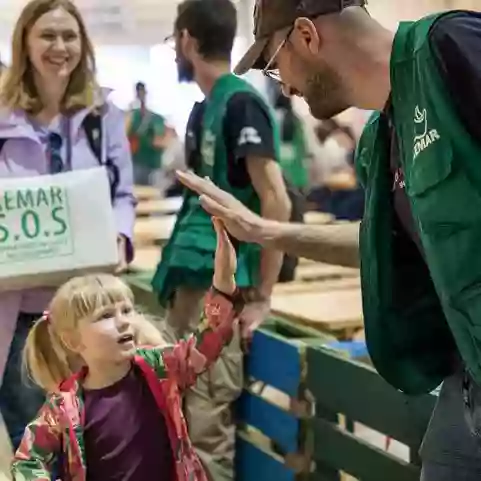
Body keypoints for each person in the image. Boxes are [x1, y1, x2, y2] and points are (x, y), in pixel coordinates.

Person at [177, 2, 481, 479]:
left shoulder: (452, 45)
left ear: (307, 35)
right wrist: (263, 230)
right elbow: (377, 241)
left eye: (275, 65)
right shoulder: (381, 139)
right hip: (466, 379)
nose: (285, 87)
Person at [152, 0, 291, 479]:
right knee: (180, 415)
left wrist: (265, 297)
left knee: (206, 418)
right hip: (193, 278)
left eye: (175, 42)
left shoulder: (240, 102)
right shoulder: (203, 110)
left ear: (187, 40)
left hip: (224, 287)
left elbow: (277, 200)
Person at [0, 0, 135, 452]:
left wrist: (121, 234)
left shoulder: (102, 117)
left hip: (86, 307)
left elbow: (123, 194)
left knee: (96, 431)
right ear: (26, 44)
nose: (60, 47)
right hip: (19, 311)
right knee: (34, 437)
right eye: (48, 36)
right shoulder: (2, 119)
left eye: (69, 36)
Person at [11, 218, 242, 481]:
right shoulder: (64, 406)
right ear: (74, 342)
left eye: (127, 310)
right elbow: (28, 460)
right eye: (106, 315)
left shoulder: (161, 368)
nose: (124, 321)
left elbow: (208, 342)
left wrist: (223, 284)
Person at [126, 81, 175, 186]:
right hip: (137, 164)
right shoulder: (133, 115)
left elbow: (160, 141)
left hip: (153, 165)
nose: (141, 95)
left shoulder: (156, 118)